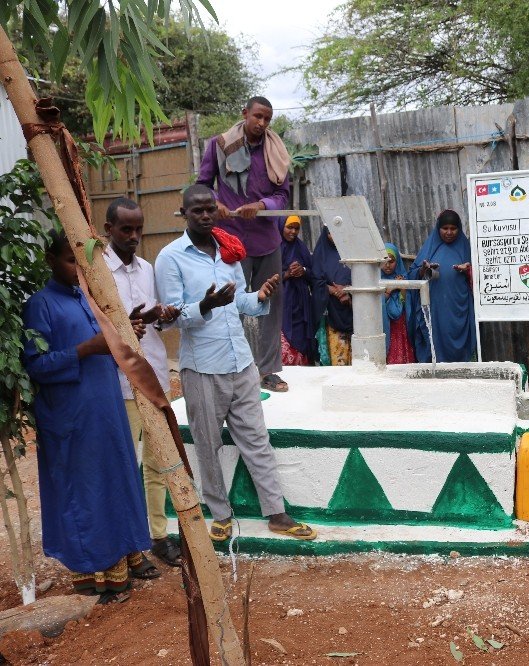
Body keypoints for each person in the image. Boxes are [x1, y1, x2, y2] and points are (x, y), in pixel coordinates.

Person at [155, 185, 315, 542]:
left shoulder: (229, 251)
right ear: (183, 214)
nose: (206, 215)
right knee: (207, 443)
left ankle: (276, 513)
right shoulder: (171, 257)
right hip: (202, 368)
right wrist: (205, 306)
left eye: (210, 208)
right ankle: (221, 513)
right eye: (197, 211)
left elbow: (240, 301)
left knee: (257, 439)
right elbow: (168, 317)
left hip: (241, 361)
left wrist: (259, 297)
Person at [23, 231, 154, 604]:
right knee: (86, 491)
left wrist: (123, 333)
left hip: (105, 408)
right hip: (72, 417)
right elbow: (36, 365)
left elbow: (104, 347)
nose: (76, 269)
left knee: (115, 479)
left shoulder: (88, 299)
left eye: (81, 262)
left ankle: (122, 564)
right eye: (69, 260)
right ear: (50, 259)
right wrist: (87, 348)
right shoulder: (39, 305)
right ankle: (94, 579)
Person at [103, 197, 183, 568]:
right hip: (120, 382)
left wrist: (161, 315)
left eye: (139, 229)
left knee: (157, 462)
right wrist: (125, 328)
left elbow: (153, 323)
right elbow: (100, 326)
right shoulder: (97, 270)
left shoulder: (148, 268)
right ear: (109, 230)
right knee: (125, 463)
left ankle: (157, 536)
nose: (134, 236)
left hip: (154, 374)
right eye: (126, 229)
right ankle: (128, 545)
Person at [196, 95, 291, 392]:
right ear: (245, 114)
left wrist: (262, 205)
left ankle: (268, 371)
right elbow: (202, 185)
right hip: (230, 241)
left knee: (271, 304)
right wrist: (216, 202)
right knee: (229, 304)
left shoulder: (275, 150)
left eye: (267, 119)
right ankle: (231, 370)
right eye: (257, 117)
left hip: (267, 239)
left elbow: (283, 196)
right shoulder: (219, 144)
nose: (262, 123)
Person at [407, 209, 476, 363]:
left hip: (459, 307)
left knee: (460, 345)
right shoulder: (430, 248)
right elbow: (411, 275)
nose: (449, 232)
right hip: (434, 307)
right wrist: (423, 270)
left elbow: (484, 276)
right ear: (438, 228)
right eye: (445, 228)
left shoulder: (466, 248)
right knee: (434, 341)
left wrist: (469, 270)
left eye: (453, 228)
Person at [311, 226, 354, 366]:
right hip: (330, 312)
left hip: (354, 310)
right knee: (337, 360)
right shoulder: (321, 253)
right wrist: (335, 291)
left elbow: (364, 276)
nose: (334, 237)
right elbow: (315, 281)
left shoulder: (353, 251)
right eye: (330, 233)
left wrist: (348, 291)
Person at [279, 215, 314, 366]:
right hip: (280, 304)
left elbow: (315, 274)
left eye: (296, 228)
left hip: (300, 304)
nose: (293, 231)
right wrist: (286, 274)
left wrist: (303, 270)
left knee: (301, 341)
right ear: (281, 226)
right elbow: (263, 276)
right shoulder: (273, 248)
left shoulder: (301, 247)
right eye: (289, 227)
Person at [381, 242, 417, 364]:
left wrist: (401, 288)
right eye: (384, 261)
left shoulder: (404, 278)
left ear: (397, 262)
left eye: (391, 261)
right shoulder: (375, 280)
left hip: (401, 325)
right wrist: (389, 291)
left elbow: (408, 303)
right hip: (385, 326)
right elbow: (375, 306)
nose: (387, 265)